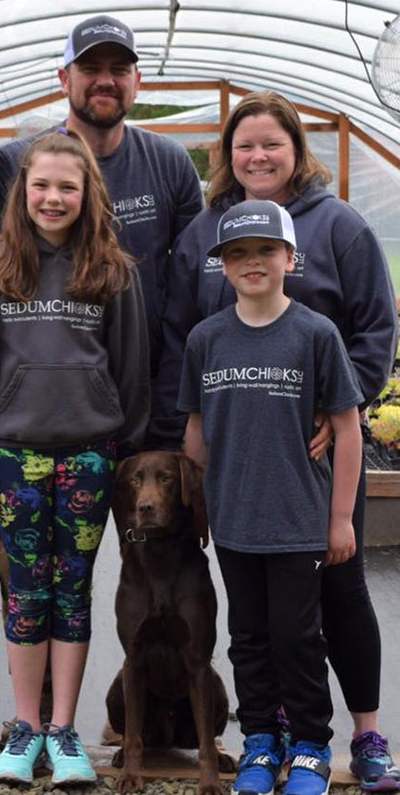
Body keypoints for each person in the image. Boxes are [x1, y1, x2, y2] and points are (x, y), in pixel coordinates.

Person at [156, 90, 400, 790]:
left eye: (272, 143)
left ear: (297, 149)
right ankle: (272, 732)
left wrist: (337, 403)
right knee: (258, 619)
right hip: (241, 461)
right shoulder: (208, 229)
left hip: (315, 455)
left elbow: (375, 331)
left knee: (339, 595)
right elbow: (184, 336)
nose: (257, 155)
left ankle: (364, 734)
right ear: (225, 154)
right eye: (243, 145)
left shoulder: (340, 226)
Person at [0, 128, 150, 785]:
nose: (53, 198)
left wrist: (116, 445)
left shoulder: (111, 270)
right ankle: (25, 729)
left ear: (88, 192)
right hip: (16, 460)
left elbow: (131, 370)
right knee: (27, 594)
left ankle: (64, 731)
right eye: (41, 185)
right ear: (22, 192)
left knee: (73, 592)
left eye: (68, 186)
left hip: (90, 458)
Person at [179, 199, 364, 795]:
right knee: (247, 640)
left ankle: (311, 745)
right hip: (234, 524)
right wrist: (200, 506)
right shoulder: (206, 339)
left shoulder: (315, 334)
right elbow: (197, 434)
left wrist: (339, 519)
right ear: (222, 267)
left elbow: (348, 427)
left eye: (265, 250)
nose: (252, 262)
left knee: (298, 638)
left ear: (290, 257)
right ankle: (260, 740)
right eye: (237, 253)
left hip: (297, 523)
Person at [0, 13, 203, 373]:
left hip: (147, 374)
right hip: (50, 381)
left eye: (119, 70)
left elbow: (192, 281)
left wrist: (175, 384)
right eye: (90, 68)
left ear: (136, 82)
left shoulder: (169, 162)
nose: (105, 81)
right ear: (64, 79)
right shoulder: (15, 165)